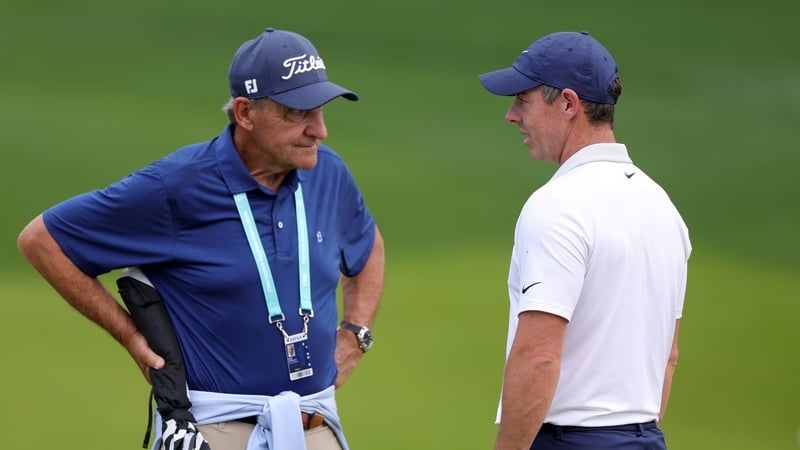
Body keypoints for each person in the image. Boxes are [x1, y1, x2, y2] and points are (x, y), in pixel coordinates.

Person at [17, 26, 384, 450]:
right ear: (245, 113)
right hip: (216, 432)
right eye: (297, 113)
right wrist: (131, 338)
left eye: (320, 110)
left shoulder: (328, 173)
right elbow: (42, 240)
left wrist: (356, 332)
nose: (319, 130)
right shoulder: (175, 186)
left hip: (317, 428)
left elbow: (368, 245)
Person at [478, 31, 691, 450]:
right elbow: (669, 355)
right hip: (646, 439)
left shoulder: (557, 205)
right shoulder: (663, 207)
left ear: (568, 104)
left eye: (523, 100)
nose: (511, 115)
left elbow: (538, 355)